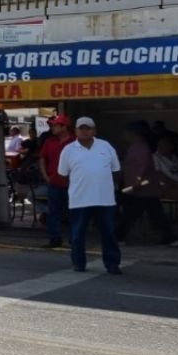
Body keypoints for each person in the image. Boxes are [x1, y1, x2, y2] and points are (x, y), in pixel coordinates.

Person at [58, 117, 123, 274]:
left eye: (88, 128)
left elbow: (116, 170)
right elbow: (63, 174)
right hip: (79, 200)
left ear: (94, 131)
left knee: (109, 233)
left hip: (105, 199)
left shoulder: (105, 146)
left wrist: (109, 188)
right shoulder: (68, 150)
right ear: (76, 131)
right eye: (82, 128)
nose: (85, 131)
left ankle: (112, 264)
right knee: (77, 234)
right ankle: (79, 263)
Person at [116, 120, 178, 247]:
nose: (124, 136)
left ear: (134, 134)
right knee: (154, 214)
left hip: (142, 187)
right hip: (143, 187)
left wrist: (137, 181)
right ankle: (169, 237)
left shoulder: (140, 148)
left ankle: (118, 236)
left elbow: (142, 166)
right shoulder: (138, 147)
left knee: (131, 214)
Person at [37, 115, 75, 248]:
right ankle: (55, 239)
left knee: (73, 213)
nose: (52, 128)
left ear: (64, 127)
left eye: (55, 125)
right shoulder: (49, 142)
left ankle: (74, 239)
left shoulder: (75, 142)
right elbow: (42, 158)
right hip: (54, 183)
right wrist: (46, 176)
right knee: (54, 212)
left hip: (73, 185)